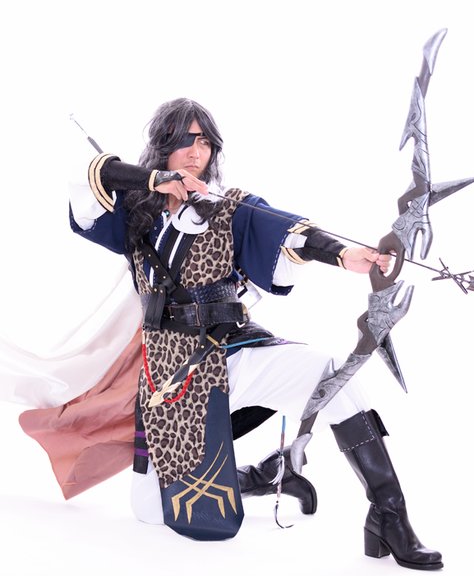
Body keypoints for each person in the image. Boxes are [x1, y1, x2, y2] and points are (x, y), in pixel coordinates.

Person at [66, 97, 442, 569]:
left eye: (205, 142)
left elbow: (290, 233)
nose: (196, 151)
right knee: (153, 512)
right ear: (163, 145)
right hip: (169, 376)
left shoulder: (229, 207)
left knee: (332, 375)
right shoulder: (137, 216)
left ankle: (389, 514)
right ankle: (268, 473)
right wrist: (151, 181)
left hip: (232, 352)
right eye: (185, 140)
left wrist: (346, 255)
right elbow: (88, 185)